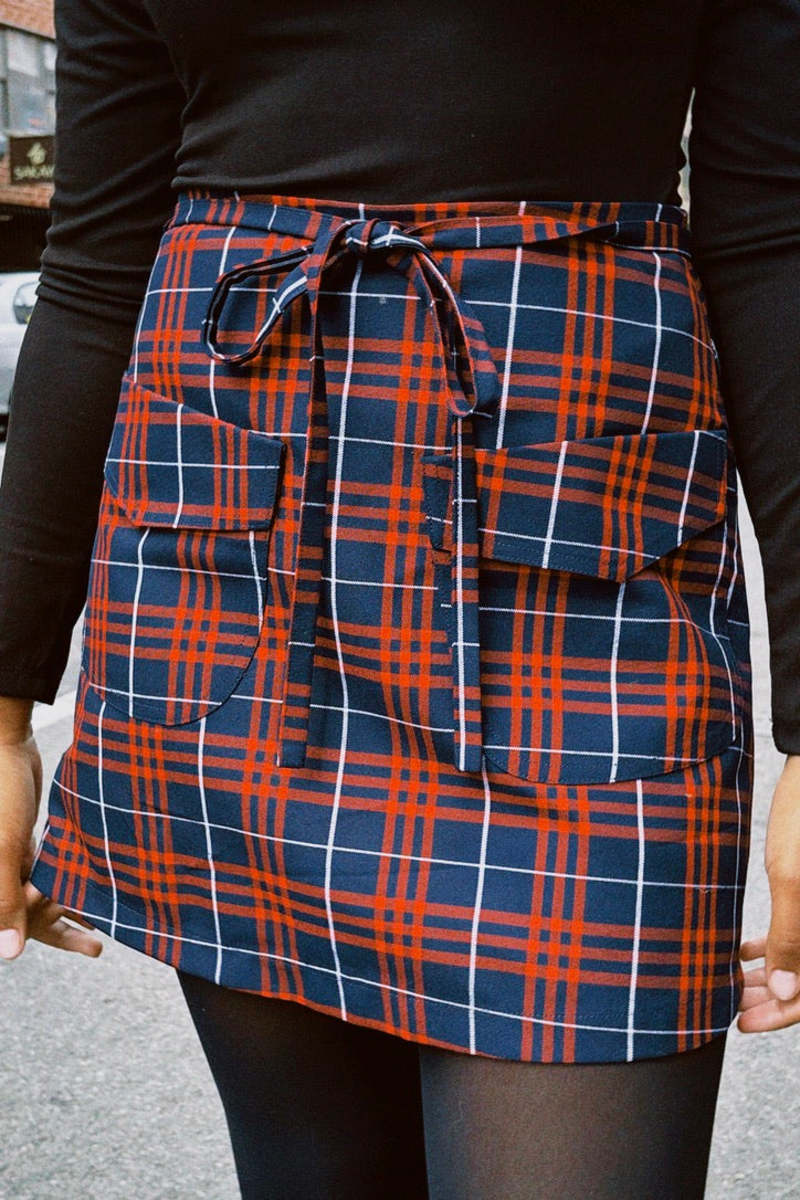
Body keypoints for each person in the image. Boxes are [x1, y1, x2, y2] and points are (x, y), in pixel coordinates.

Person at [1, 2, 799, 1197]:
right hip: (229, 579)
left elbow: (774, 240)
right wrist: (3, 707)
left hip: (575, 570)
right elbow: (96, 260)